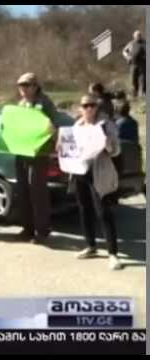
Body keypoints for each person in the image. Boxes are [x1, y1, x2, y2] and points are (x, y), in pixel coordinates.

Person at [70, 95, 122, 270]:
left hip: (99, 172)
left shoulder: (106, 125)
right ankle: (90, 246)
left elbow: (116, 150)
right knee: (84, 210)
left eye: (92, 105)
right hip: (80, 171)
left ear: (97, 108)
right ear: (80, 108)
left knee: (103, 213)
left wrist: (109, 146)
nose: (89, 109)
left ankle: (113, 254)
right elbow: (71, 148)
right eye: (85, 105)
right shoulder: (76, 126)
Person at [15, 72, 58, 244]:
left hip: (38, 154)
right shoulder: (21, 104)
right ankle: (27, 228)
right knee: (23, 191)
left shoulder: (44, 103)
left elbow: (52, 126)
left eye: (26, 85)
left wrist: (49, 130)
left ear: (34, 86)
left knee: (37, 192)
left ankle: (42, 230)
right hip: (22, 152)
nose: (23, 89)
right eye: (20, 86)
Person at [122, 30, 146, 98]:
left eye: (139, 35)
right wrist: (127, 57)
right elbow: (124, 51)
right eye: (137, 35)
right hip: (133, 64)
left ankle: (144, 93)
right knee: (133, 79)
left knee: (143, 79)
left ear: (141, 36)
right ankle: (135, 93)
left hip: (143, 63)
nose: (138, 37)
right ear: (134, 36)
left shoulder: (145, 43)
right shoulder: (131, 43)